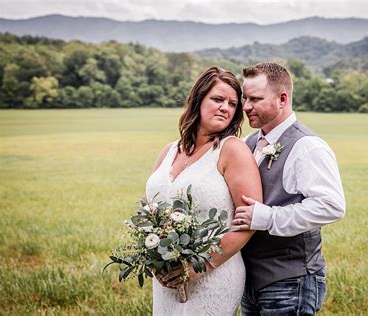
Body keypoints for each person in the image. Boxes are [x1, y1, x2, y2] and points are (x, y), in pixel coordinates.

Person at [145, 66, 263, 315]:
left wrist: (197, 268)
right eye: (218, 99)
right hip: (167, 277)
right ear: (198, 100)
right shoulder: (169, 151)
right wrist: (154, 258)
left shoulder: (233, 150)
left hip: (213, 276)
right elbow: (149, 213)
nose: (225, 108)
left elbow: (249, 221)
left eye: (232, 103)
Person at [231, 62, 346, 315]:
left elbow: (331, 206)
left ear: (282, 99)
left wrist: (267, 217)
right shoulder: (248, 143)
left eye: (255, 99)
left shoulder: (307, 147)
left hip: (290, 282)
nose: (246, 106)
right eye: (245, 98)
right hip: (250, 281)